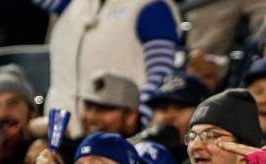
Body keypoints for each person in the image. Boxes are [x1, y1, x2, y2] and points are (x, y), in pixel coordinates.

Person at [39, 0, 179, 133]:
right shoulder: (73, 4)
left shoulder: (153, 8)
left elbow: (160, 79)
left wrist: (144, 131)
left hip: (122, 139)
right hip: (63, 135)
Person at [79, 70, 141, 137]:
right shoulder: (77, 145)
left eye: (102, 109)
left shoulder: (143, 146)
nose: (91, 117)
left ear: (131, 116)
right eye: (88, 106)